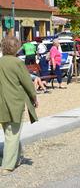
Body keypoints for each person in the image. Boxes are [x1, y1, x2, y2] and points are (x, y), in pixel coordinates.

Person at [0, 36, 38, 176]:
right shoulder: (17, 63)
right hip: (15, 102)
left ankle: (18, 155)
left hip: (1, 102)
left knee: (9, 131)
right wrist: (34, 98)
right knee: (12, 133)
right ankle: (7, 166)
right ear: (16, 48)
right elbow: (27, 82)